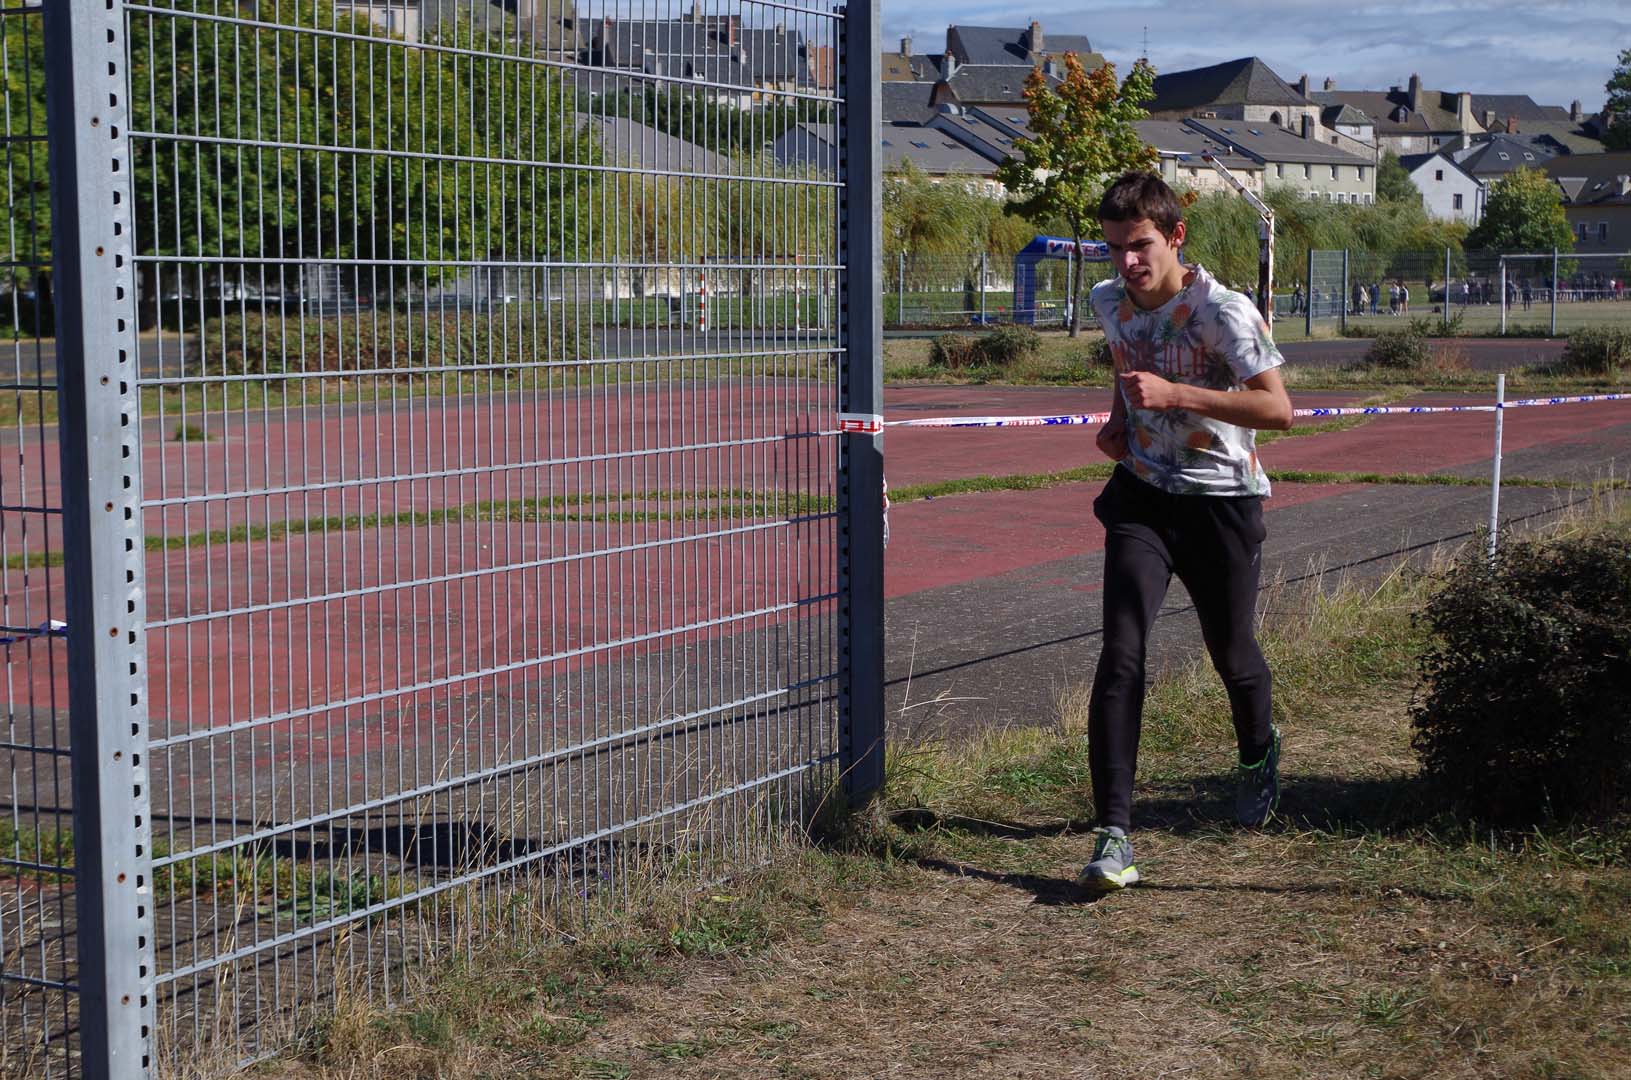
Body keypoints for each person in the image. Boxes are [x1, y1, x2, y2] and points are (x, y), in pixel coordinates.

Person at [1079, 172, 1294, 894]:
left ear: (1174, 237)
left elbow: (1278, 410)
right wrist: (1119, 421)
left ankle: (1256, 753)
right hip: (1142, 498)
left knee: (1231, 653)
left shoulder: (1222, 312)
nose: (1126, 264)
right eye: (1113, 248)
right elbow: (1123, 363)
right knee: (1120, 655)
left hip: (1221, 503)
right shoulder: (1106, 302)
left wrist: (1175, 395)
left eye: (1138, 246)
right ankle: (1112, 834)